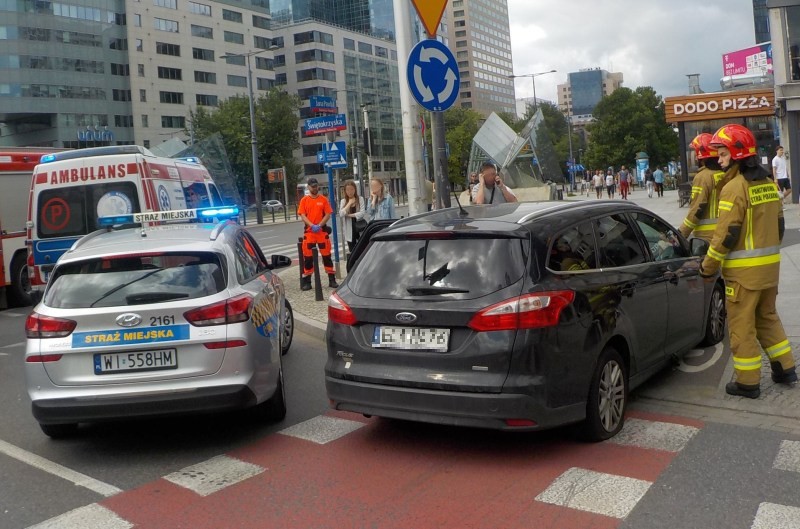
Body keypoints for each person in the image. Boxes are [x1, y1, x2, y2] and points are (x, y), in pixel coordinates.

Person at [699, 124, 796, 399]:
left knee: (741, 326)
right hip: (769, 270)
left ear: (736, 154)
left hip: (743, 276)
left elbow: (725, 236)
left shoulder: (733, 189)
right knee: (767, 318)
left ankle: (748, 382)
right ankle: (785, 368)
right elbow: (779, 228)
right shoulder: (767, 185)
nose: (718, 159)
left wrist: (707, 267)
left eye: (722, 153)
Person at [679, 133, 734, 242]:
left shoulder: (702, 177)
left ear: (700, 155)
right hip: (724, 232)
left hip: (706, 237)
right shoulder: (726, 174)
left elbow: (696, 209)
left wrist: (680, 234)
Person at [298, 177, 338, 290]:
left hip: (321, 232)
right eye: (312, 186)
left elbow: (328, 214)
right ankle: (307, 282)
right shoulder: (304, 200)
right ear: (308, 187)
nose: (315, 188)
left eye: (316, 186)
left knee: (327, 256)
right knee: (308, 257)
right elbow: (302, 215)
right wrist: (311, 225)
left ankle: (332, 279)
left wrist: (319, 225)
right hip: (309, 233)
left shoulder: (323, 199)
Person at [338, 179, 365, 253]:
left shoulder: (360, 199)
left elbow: (362, 213)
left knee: (362, 249)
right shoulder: (343, 201)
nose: (350, 192)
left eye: (352, 189)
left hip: (360, 226)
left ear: (355, 189)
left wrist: (349, 215)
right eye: (348, 190)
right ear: (345, 191)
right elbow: (341, 214)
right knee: (352, 250)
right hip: (349, 229)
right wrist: (349, 203)